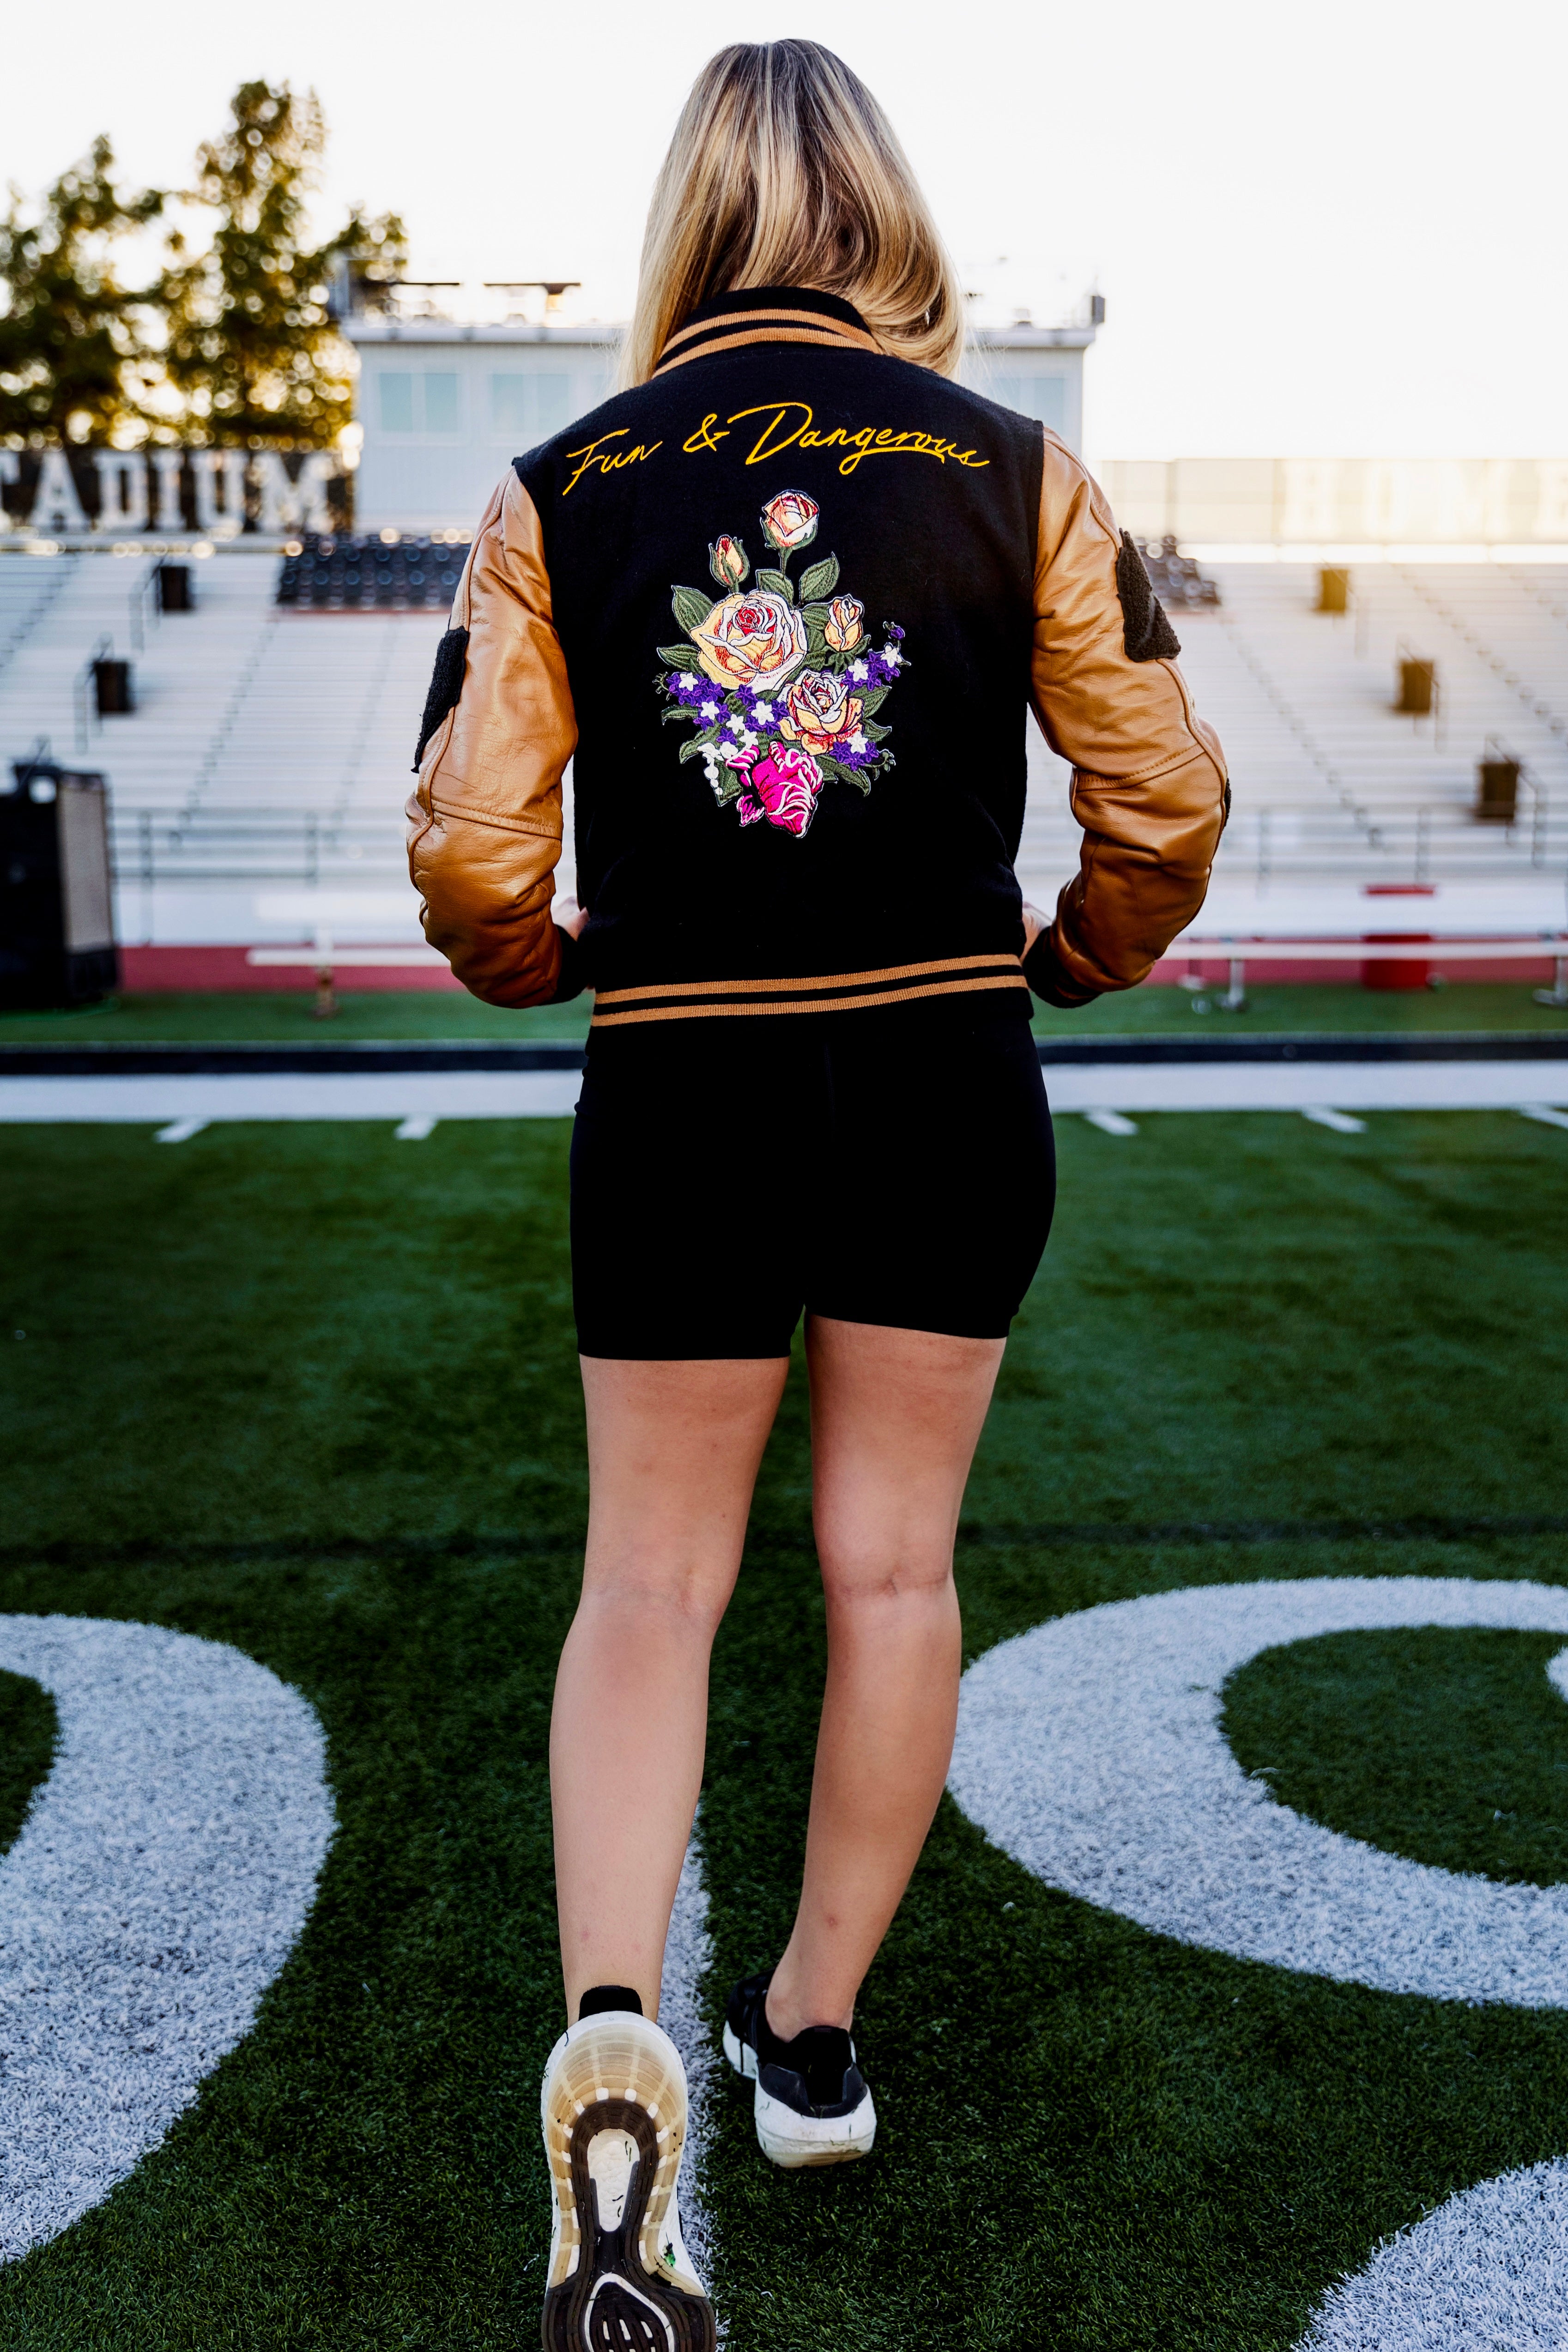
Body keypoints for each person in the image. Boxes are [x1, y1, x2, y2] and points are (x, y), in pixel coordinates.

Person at [407, 38, 1227, 2349]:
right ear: (885, 210)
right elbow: (1163, 806)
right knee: (892, 1567)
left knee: (648, 1586)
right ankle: (812, 2035)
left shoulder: (560, 484)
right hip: (948, 1063)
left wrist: (532, 955)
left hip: (682, 1073)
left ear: (689, 218)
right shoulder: (1020, 466)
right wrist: (1071, 953)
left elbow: (473, 847)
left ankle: (613, 2050)